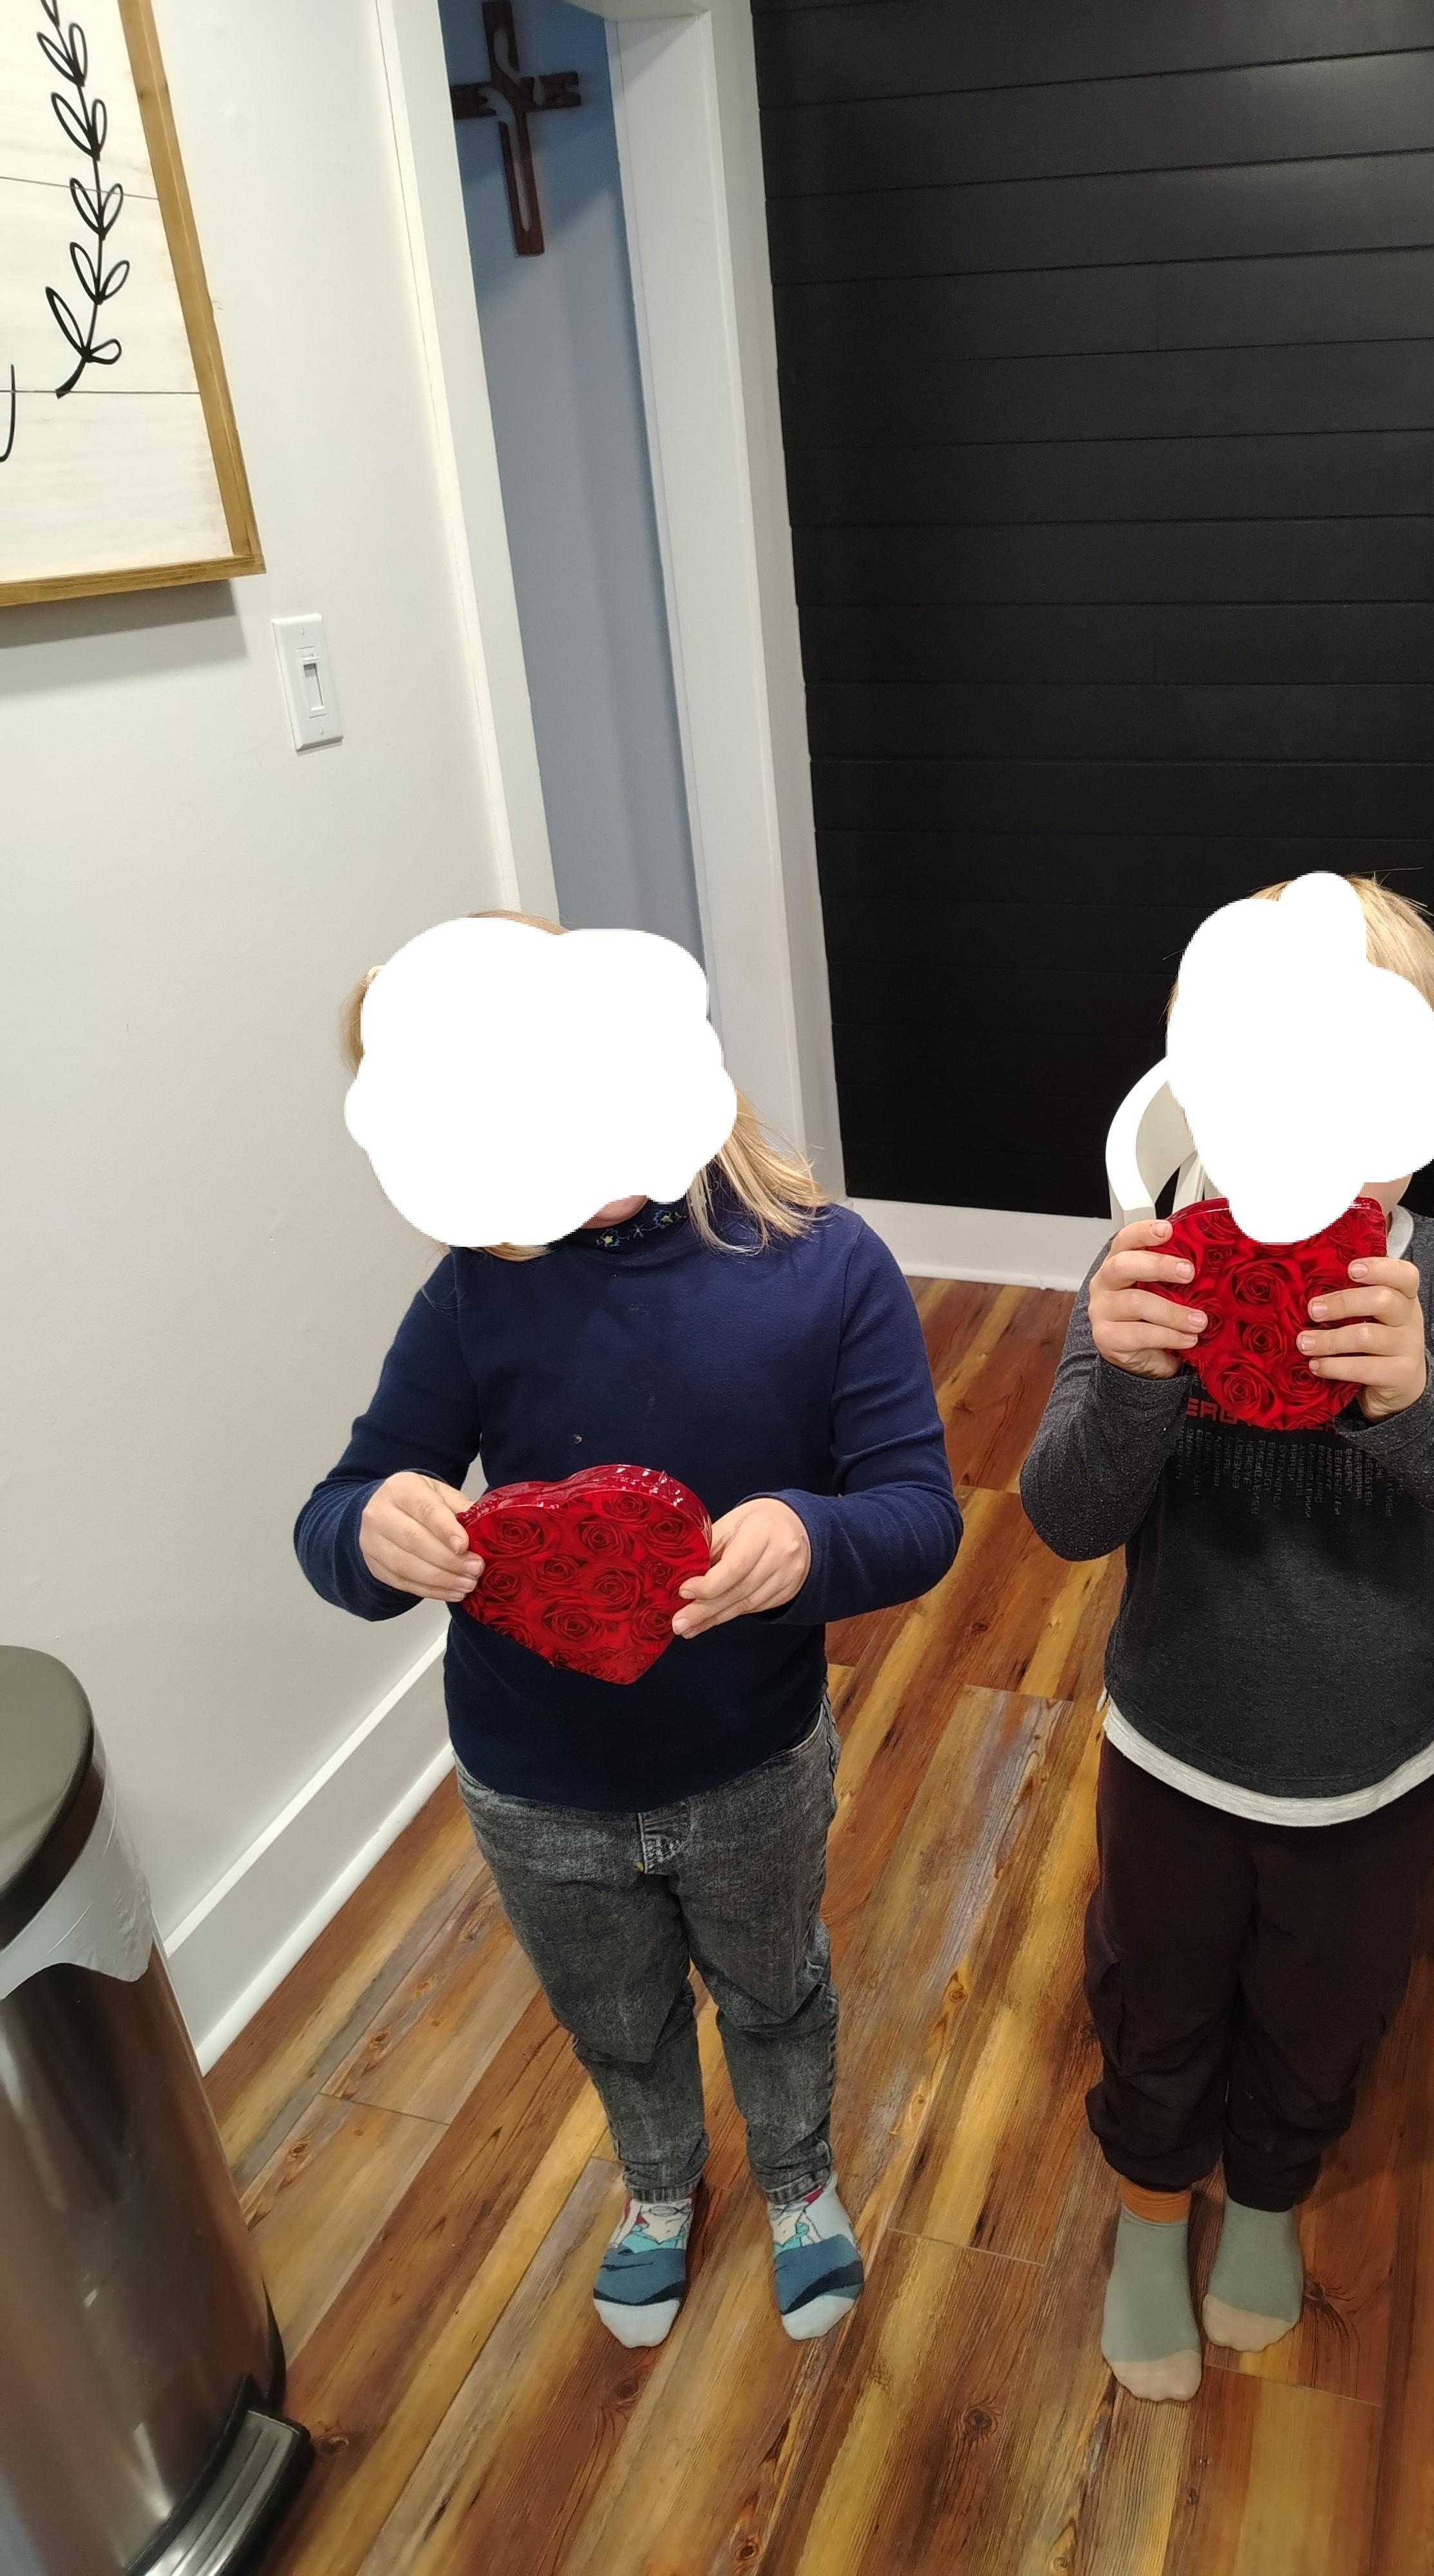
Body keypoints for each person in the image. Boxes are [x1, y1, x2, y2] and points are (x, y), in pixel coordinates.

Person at [296, 914, 961, 2353]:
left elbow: (921, 1512)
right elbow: (339, 1511)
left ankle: (797, 2176)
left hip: (749, 1758)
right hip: (534, 1782)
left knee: (773, 1990)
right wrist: (372, 1528)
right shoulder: (474, 1292)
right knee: (614, 2016)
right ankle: (659, 2185)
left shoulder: (829, 1267)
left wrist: (810, 1536)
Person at [1019, 877, 1434, 2403]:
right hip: (1172, 1741)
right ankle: (1153, 2211)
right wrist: (1133, 1375)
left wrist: (1418, 1396)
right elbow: (1065, 1518)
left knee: (1323, 2007)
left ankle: (1269, 2196)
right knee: (1154, 1993)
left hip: (1375, 1764)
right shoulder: (1149, 1264)